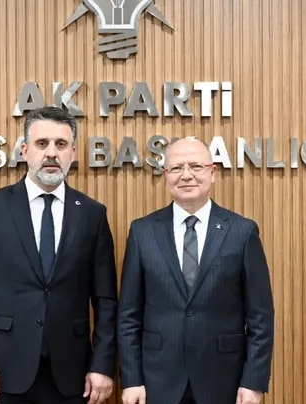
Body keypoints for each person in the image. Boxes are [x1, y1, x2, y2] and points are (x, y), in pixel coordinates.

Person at [0, 106, 118, 404]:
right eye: (42, 143)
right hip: (2, 373)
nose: (51, 153)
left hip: (74, 375)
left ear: (73, 153)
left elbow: (106, 300)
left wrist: (102, 366)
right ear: (25, 150)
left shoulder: (92, 214)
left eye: (61, 144)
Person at [117, 137, 274, 404]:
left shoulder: (242, 231)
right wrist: (132, 379)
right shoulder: (143, 232)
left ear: (212, 172)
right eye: (177, 168)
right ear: (165, 175)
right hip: (157, 381)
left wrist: (253, 381)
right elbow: (129, 315)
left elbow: (260, 316)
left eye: (196, 166)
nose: (186, 175)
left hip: (224, 379)